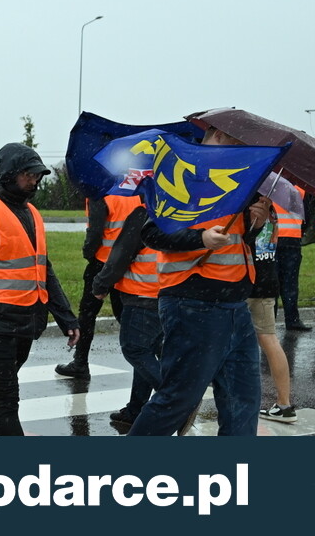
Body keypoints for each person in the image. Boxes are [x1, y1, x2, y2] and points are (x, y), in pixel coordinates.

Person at [128, 126, 272, 436]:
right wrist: (201, 239)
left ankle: (237, 476)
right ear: (219, 135)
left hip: (235, 304)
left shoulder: (239, 178)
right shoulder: (184, 173)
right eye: (237, 139)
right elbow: (152, 232)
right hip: (193, 303)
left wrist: (255, 224)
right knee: (178, 399)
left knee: (242, 399)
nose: (243, 146)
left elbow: (235, 239)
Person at [0, 143, 80, 436]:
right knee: (6, 403)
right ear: (8, 174)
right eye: (28, 175)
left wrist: (66, 318)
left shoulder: (32, 213)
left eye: (38, 175)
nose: (34, 181)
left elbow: (44, 270)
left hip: (24, 324)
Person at [87, 194, 162, 430]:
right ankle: (136, 408)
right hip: (166, 295)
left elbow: (120, 255)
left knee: (135, 349)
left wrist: (101, 284)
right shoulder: (176, 212)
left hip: (141, 294)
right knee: (148, 351)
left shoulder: (143, 214)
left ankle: (175, 396)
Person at [55, 195, 124, 379]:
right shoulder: (131, 186)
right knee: (125, 314)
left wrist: (88, 252)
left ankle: (80, 362)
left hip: (102, 262)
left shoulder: (99, 191)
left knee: (87, 312)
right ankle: (168, 362)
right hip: (127, 261)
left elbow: (95, 231)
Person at [249, 208, 299, 424]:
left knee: (226, 344)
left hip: (246, 282)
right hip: (268, 282)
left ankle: (238, 402)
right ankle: (284, 404)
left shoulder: (250, 211)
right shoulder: (271, 212)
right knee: (270, 340)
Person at [273, 187, 311, 331]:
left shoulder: (269, 184)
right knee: (290, 282)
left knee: (272, 282)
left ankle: (270, 321)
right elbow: (307, 216)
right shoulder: (300, 189)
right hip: (292, 239)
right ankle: (292, 319)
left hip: (271, 239)